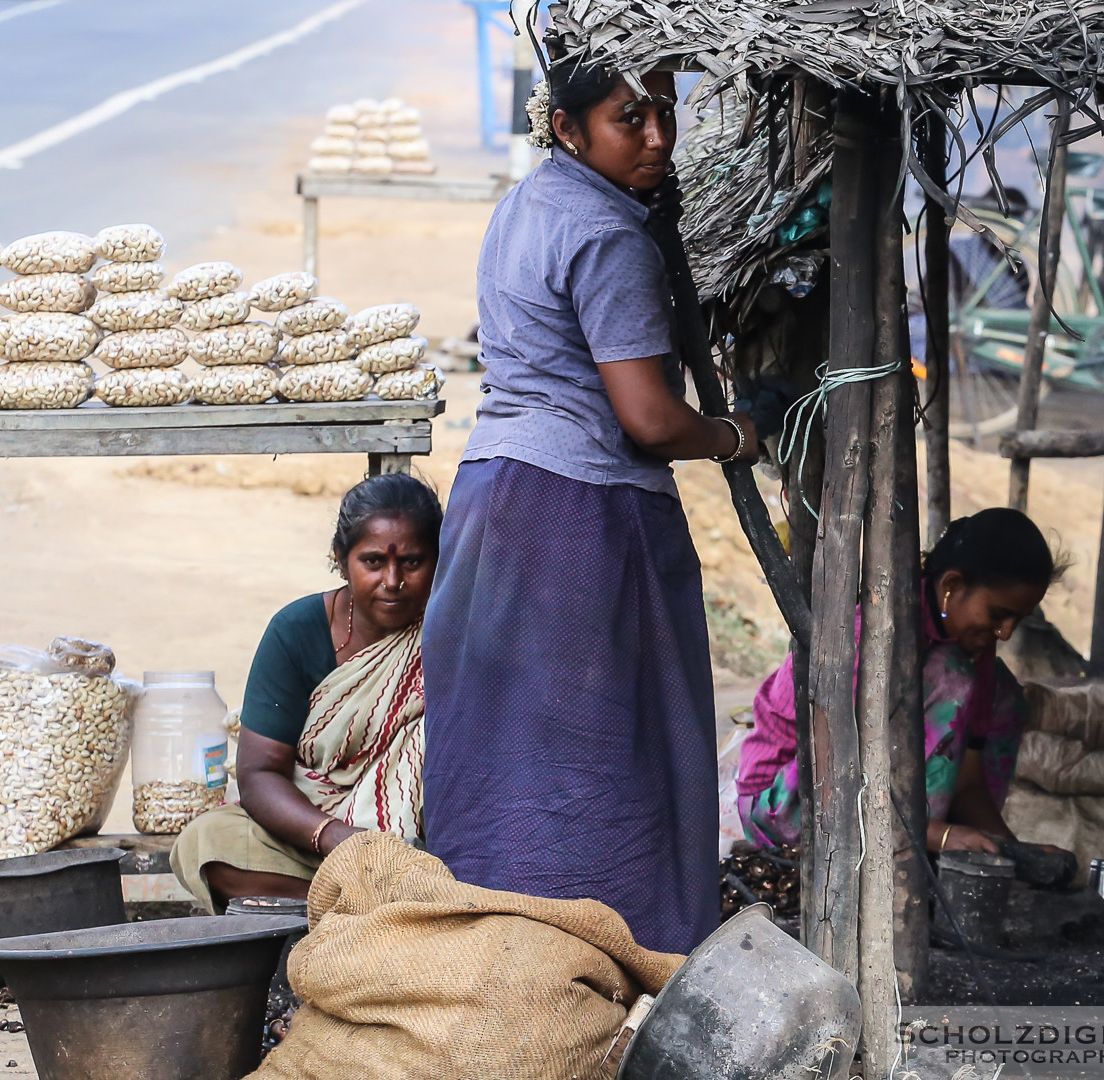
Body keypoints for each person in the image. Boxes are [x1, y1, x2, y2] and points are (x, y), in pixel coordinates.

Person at [419, 45, 768, 958]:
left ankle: (490, 952)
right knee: (607, 751)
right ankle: (609, 959)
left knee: (506, 745)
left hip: (496, 492)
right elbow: (649, 419)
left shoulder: (527, 203)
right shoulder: (610, 236)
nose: (658, 138)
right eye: (629, 120)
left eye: (666, 111)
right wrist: (735, 436)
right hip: (579, 514)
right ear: (567, 128)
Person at [171, 473, 442, 913]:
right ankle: (357, 906)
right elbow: (259, 773)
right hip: (314, 839)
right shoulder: (296, 631)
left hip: (416, 848)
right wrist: (334, 836)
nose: (393, 580)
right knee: (205, 843)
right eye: (373, 562)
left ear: (438, 560)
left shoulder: (452, 632)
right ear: (341, 560)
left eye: (412, 562)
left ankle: (372, 903)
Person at [737, 507, 1066, 856]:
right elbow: (830, 774)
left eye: (1019, 619)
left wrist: (1014, 854)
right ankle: (911, 846)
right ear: (952, 585)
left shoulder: (975, 649)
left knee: (1004, 695)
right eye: (999, 615)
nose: (1006, 632)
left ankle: (921, 838)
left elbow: (967, 779)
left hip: (871, 808)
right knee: (950, 674)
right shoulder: (871, 634)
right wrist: (934, 835)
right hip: (786, 803)